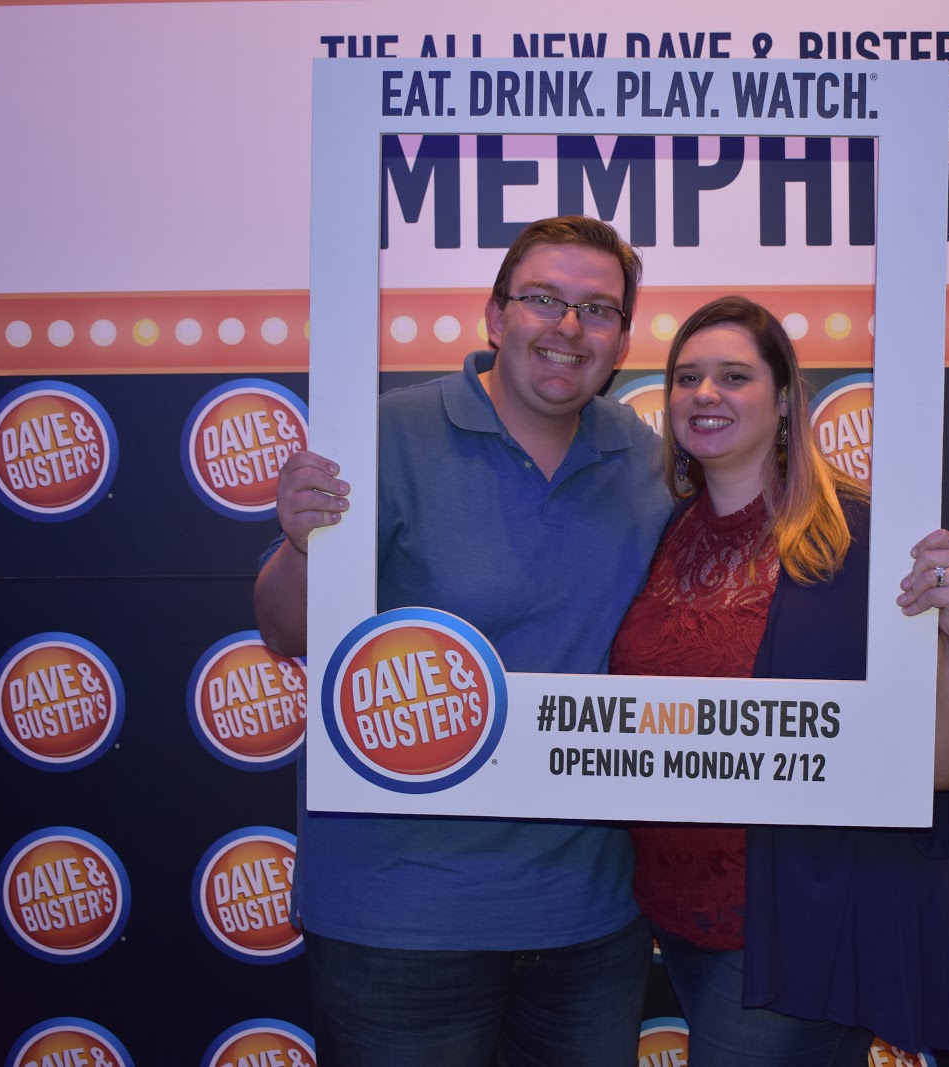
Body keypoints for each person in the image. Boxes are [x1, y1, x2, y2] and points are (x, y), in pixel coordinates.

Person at [254, 216, 674, 1065]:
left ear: (623, 340)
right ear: (494, 315)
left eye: (598, 309)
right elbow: (283, 628)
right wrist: (303, 545)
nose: (569, 326)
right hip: (401, 918)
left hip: (590, 918)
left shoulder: (645, 458)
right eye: (543, 299)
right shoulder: (387, 433)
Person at [609, 296, 949, 1064]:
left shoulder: (862, 540)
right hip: (674, 916)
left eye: (734, 375)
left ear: (786, 398)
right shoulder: (668, 533)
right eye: (687, 376)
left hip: (800, 928)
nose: (705, 393)